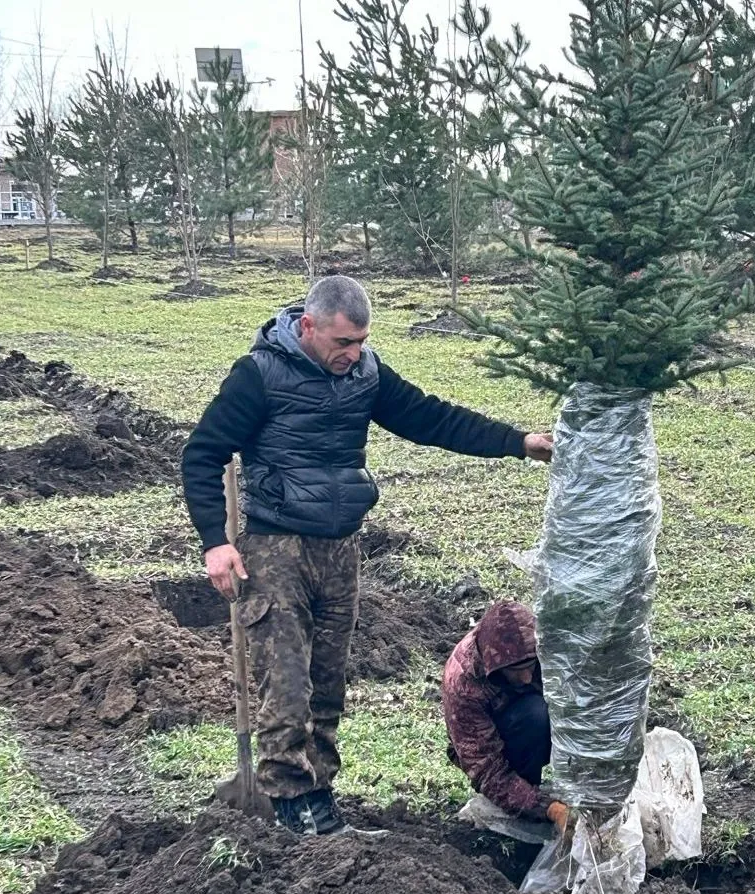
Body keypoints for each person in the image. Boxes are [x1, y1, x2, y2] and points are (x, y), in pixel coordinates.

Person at [182, 275, 552, 836]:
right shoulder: (258, 375)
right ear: (308, 327)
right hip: (276, 547)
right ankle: (289, 807)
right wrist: (216, 540)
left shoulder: (365, 374)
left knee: (328, 683)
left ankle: (320, 799)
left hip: (341, 547)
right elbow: (203, 455)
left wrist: (517, 442)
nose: (352, 354)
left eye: (360, 342)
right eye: (342, 343)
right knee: (285, 685)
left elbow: (432, 418)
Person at [442, 600, 570, 832]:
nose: (525, 678)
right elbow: (486, 768)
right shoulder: (463, 681)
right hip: (500, 738)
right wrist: (548, 808)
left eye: (530, 666)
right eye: (515, 671)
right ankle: (524, 800)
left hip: (541, 719)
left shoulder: (545, 647)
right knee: (535, 715)